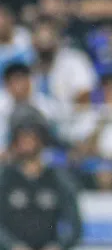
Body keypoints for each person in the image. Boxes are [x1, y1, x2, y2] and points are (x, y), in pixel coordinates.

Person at [0, 104, 82, 250]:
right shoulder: (4, 179)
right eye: (22, 136)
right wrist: (11, 245)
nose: (27, 141)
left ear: (42, 138)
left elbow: (74, 224)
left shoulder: (58, 179)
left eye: (32, 135)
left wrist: (58, 245)